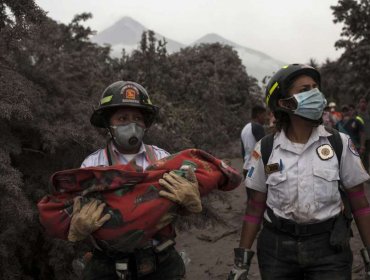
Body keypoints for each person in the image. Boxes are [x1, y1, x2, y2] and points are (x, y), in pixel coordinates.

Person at [227, 64, 370, 280]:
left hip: (329, 250)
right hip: (276, 251)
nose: (314, 93)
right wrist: (241, 263)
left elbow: (360, 203)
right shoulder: (265, 149)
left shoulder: (339, 144)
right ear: (284, 103)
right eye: (304, 90)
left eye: (315, 87)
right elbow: (255, 206)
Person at [68, 81, 202, 280]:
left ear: (145, 123)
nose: (131, 124)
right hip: (108, 265)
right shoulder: (92, 164)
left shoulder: (162, 158)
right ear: (108, 123)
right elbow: (80, 210)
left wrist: (189, 203)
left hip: (160, 262)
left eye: (137, 118)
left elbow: (174, 206)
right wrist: (78, 226)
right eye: (122, 118)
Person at [240, 105, 267, 177]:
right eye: (264, 115)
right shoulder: (258, 127)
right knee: (280, 167)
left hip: (246, 168)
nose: (265, 118)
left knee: (250, 187)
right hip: (255, 169)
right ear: (258, 115)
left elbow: (243, 152)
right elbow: (265, 148)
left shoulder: (245, 128)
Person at [357, 96, 370, 172]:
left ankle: (366, 173)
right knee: (359, 157)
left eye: (364, 102)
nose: (363, 104)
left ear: (367, 104)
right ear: (359, 104)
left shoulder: (368, 113)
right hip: (359, 139)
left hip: (368, 138)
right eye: (361, 102)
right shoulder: (356, 114)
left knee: (367, 157)